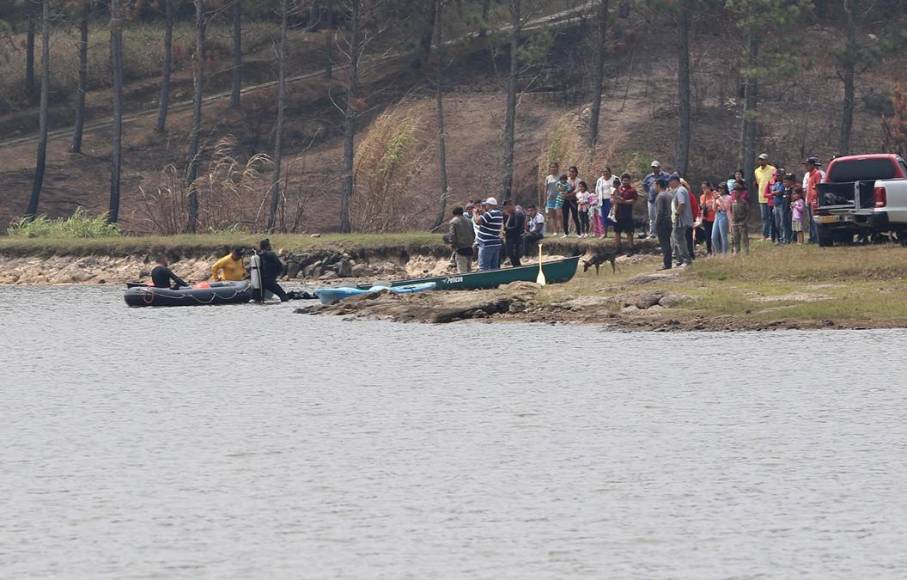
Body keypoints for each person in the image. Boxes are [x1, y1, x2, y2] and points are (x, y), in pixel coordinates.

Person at [473, 197, 504, 271]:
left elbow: (478, 222)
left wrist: (475, 213)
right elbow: (487, 220)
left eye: (486, 205)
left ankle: (485, 282)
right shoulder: (499, 213)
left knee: (484, 268)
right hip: (495, 244)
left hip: (486, 244)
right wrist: (482, 213)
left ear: (489, 205)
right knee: (494, 268)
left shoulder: (490, 214)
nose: (485, 206)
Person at [670, 174, 693, 267]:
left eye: (670, 182)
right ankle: (679, 259)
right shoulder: (680, 190)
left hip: (681, 219)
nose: (670, 184)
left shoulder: (680, 190)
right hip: (680, 219)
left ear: (675, 181)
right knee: (676, 239)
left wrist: (676, 214)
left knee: (680, 239)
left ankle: (686, 259)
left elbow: (682, 203)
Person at [754, 154, 777, 241]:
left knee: (771, 216)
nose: (761, 161)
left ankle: (771, 235)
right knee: (764, 217)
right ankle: (764, 235)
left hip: (770, 197)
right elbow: (758, 183)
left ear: (766, 160)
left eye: (763, 160)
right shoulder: (756, 171)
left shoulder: (772, 169)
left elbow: (775, 181)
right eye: (760, 160)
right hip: (761, 197)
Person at [643, 160, 667, 238]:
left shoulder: (665, 175)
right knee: (652, 217)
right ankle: (652, 233)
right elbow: (644, 185)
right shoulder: (649, 176)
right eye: (653, 167)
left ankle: (661, 233)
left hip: (661, 199)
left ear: (659, 167)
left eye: (656, 167)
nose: (654, 169)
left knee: (660, 216)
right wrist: (649, 191)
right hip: (651, 199)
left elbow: (669, 183)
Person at [447, 206, 475, 274]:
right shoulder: (469, 221)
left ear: (454, 213)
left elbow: (452, 235)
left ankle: (464, 284)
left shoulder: (453, 222)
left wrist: (452, 245)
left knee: (462, 271)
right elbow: (473, 234)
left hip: (460, 249)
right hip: (469, 248)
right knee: (469, 270)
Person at [653, 178, 674, 270]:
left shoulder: (660, 196)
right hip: (670, 220)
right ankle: (669, 262)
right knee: (668, 242)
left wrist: (656, 223)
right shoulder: (670, 194)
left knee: (664, 243)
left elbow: (659, 212)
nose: (654, 187)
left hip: (663, 222)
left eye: (655, 185)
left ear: (658, 185)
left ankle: (667, 263)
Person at [614, 173, 638, 248]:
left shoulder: (632, 190)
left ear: (629, 181)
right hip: (618, 213)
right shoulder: (618, 189)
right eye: (624, 180)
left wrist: (624, 201)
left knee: (629, 231)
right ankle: (618, 247)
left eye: (627, 180)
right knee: (617, 231)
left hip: (627, 214)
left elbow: (634, 200)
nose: (625, 182)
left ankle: (630, 248)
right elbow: (613, 199)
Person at [595, 167, 619, 238]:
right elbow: (597, 189)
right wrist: (597, 198)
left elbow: (617, 187)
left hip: (612, 200)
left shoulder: (615, 178)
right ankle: (604, 234)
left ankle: (617, 233)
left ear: (610, 171)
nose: (605, 173)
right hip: (603, 201)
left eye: (606, 171)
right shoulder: (600, 180)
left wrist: (613, 197)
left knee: (614, 216)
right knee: (604, 217)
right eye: (603, 171)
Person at [804, 156, 823, 243]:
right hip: (809, 200)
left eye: (807, 165)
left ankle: (817, 238)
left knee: (815, 220)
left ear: (812, 165)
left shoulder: (817, 173)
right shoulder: (809, 175)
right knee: (810, 221)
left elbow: (818, 187)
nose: (806, 167)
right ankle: (812, 237)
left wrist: (815, 198)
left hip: (814, 200)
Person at [729, 182, 751, 255]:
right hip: (734, 223)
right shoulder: (732, 202)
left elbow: (748, 212)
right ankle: (736, 252)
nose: (735, 194)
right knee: (735, 239)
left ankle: (746, 252)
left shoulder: (744, 202)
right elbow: (731, 211)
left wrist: (745, 221)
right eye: (734, 192)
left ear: (740, 193)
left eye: (737, 192)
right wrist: (732, 222)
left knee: (744, 238)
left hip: (742, 223)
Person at [502, 200, 525, 267]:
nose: (506, 210)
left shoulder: (518, 214)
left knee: (515, 257)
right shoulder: (511, 215)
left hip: (515, 240)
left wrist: (506, 229)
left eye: (507, 208)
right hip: (510, 239)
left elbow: (517, 227)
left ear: (511, 206)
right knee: (512, 257)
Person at [561, 166, 582, 237]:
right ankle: (565, 233)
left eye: (573, 171)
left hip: (574, 200)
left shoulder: (578, 180)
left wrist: (568, 194)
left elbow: (577, 191)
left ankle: (579, 233)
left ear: (576, 173)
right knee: (565, 216)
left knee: (575, 216)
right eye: (570, 171)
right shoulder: (566, 180)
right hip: (565, 200)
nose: (571, 173)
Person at [711, 182, 731, 255]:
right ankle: (718, 252)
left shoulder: (728, 197)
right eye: (719, 188)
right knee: (713, 237)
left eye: (722, 188)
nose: (720, 190)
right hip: (717, 215)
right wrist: (714, 199)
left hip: (724, 215)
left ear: (725, 189)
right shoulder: (717, 197)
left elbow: (725, 208)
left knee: (723, 236)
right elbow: (713, 208)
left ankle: (724, 253)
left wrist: (720, 198)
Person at [544, 163, 561, 236]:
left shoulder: (560, 177)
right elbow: (545, 189)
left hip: (558, 198)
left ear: (557, 168)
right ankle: (555, 231)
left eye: (555, 167)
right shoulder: (548, 178)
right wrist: (545, 200)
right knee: (552, 215)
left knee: (558, 215)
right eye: (552, 167)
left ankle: (559, 229)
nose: (553, 169)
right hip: (550, 198)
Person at [699, 182, 717, 255]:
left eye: (705, 188)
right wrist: (705, 197)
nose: (704, 189)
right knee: (708, 236)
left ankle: (716, 250)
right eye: (703, 188)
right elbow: (702, 207)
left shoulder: (714, 194)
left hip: (714, 218)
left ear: (709, 187)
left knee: (715, 236)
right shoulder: (702, 197)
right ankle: (709, 251)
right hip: (706, 219)